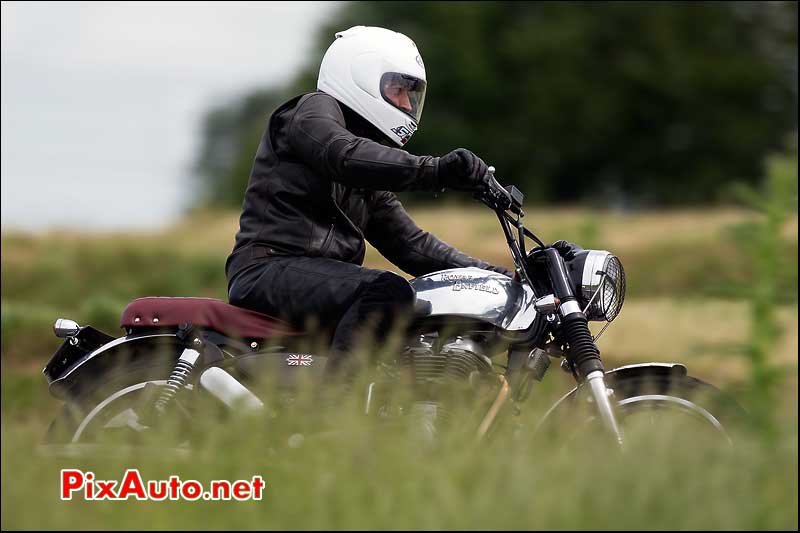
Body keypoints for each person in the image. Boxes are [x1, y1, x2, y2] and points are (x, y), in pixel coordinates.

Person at [225, 26, 513, 377]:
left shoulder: (366, 173)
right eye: (398, 89)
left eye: (411, 94)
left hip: (314, 278)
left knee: (418, 311)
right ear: (358, 74)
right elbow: (342, 154)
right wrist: (436, 170)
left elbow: (412, 246)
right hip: (268, 268)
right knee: (386, 290)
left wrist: (504, 278)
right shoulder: (311, 112)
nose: (406, 104)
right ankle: (340, 402)